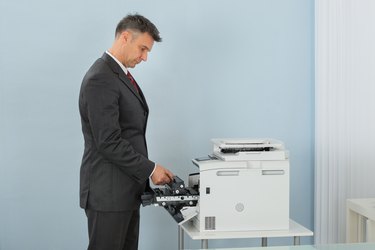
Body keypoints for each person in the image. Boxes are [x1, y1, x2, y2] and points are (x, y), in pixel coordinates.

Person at [78, 14, 174, 250]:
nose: (144, 57)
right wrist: (151, 169)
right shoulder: (101, 78)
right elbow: (108, 141)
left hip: (125, 193)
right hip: (108, 195)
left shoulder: (119, 76)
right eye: (142, 49)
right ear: (125, 37)